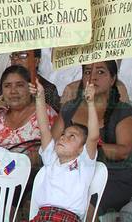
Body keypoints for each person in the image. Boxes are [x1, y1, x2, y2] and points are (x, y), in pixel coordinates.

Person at [52, 61, 132, 213]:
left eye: (100, 72)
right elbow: (52, 143)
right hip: (70, 174)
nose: (92, 77)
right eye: (87, 72)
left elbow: (124, 151)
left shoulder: (123, 111)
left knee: (85, 203)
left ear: (112, 79)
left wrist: (84, 148)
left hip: (112, 176)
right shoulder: (69, 108)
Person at [31, 81, 98, 222]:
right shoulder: (51, 159)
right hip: (41, 216)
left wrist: (91, 103)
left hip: (66, 218)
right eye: (63, 134)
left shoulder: (84, 165)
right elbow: (44, 128)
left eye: (71, 137)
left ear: (82, 149)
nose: (63, 138)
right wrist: (40, 97)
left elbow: (93, 137)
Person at [0, 66, 57, 165]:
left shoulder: (44, 112)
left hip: (30, 172)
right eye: (7, 86)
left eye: (19, 85)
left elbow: (53, 152)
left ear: (31, 88)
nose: (13, 91)